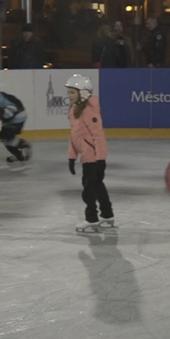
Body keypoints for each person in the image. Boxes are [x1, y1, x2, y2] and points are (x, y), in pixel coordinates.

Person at [65, 73, 114, 234]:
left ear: (83, 93)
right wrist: (72, 157)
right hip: (86, 157)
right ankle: (107, 215)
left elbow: (98, 135)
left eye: (72, 92)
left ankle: (91, 219)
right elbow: (75, 136)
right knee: (97, 185)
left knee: (89, 188)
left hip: (93, 158)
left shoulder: (88, 111)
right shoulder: (74, 110)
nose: (69, 95)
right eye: (69, 92)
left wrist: (100, 159)